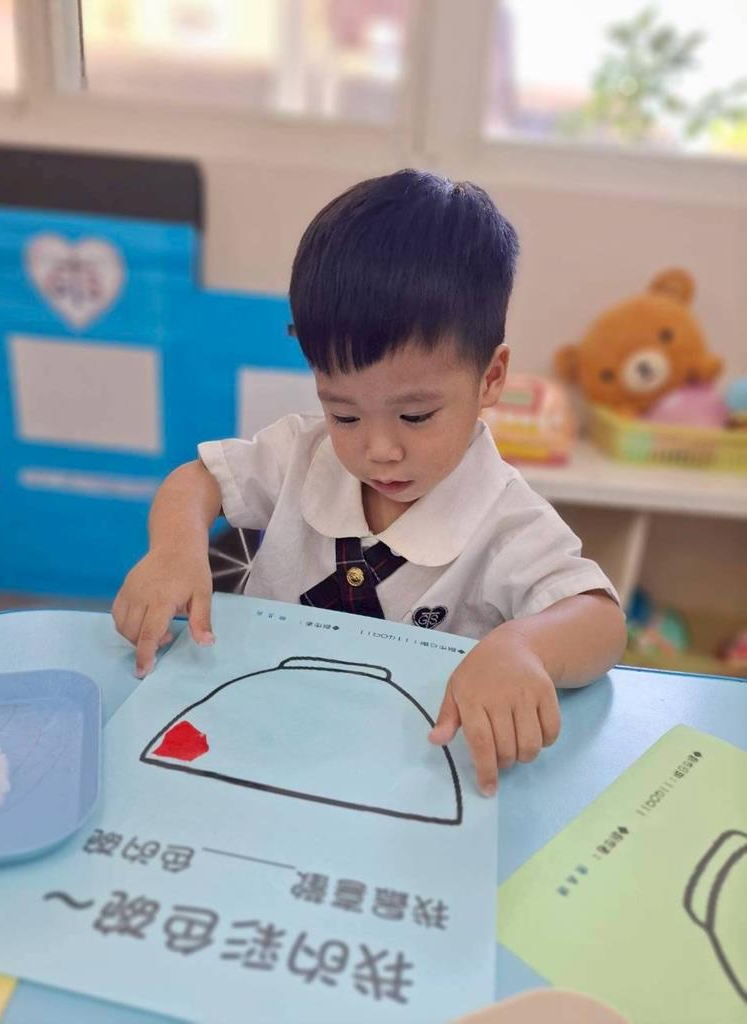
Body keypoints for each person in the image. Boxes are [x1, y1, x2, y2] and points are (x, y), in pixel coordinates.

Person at [113, 169, 626, 796]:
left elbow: (600, 621)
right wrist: (173, 552)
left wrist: (524, 646)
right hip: (264, 735)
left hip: (408, 773)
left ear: (491, 378)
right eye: (345, 414)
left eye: (416, 416)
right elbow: (196, 481)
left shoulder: (504, 520)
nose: (379, 450)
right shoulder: (303, 454)